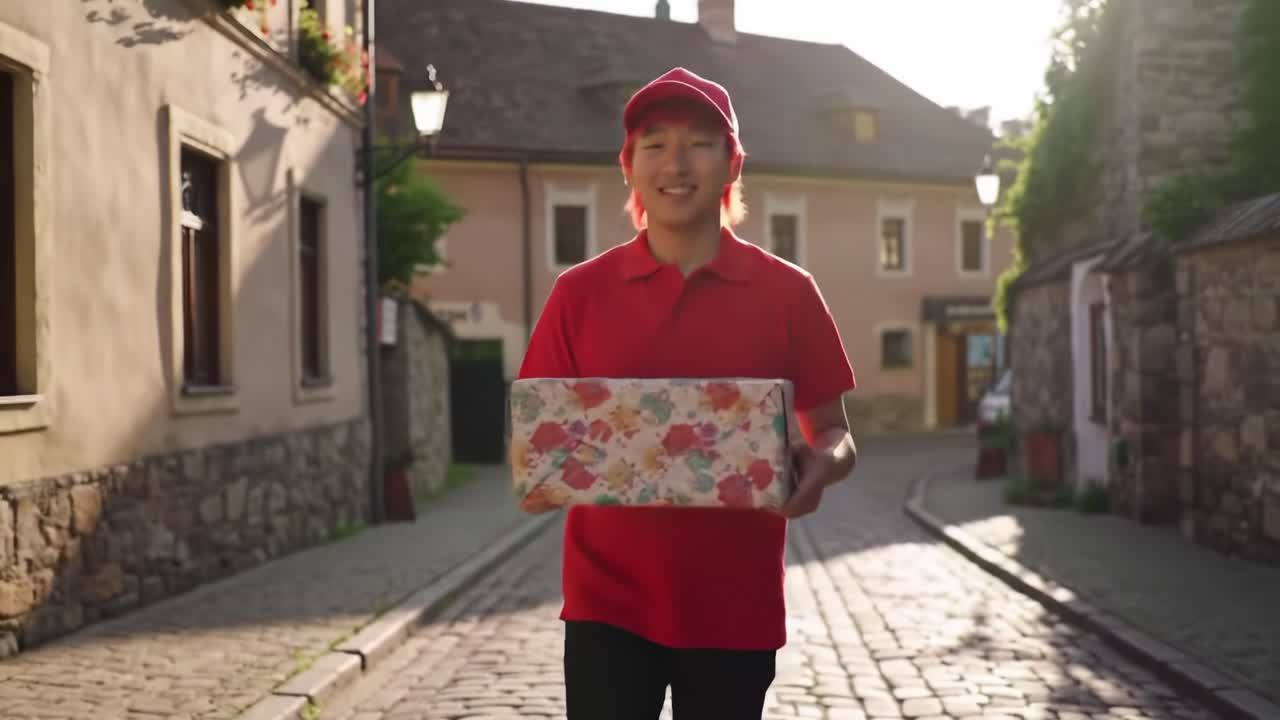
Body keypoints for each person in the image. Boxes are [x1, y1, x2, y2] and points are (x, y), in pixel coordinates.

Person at [516, 66, 858, 719]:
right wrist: (537, 477)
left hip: (737, 607)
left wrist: (821, 467)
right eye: (654, 143)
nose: (677, 161)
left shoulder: (789, 292)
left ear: (731, 163)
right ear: (628, 167)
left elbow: (837, 434)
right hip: (605, 607)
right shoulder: (578, 296)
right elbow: (536, 453)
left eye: (700, 142)